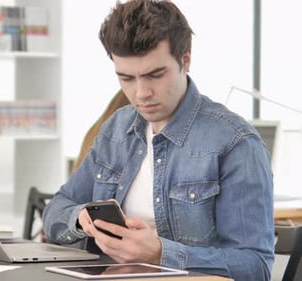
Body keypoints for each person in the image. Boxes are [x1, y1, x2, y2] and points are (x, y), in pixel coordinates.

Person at [42, 1, 274, 281]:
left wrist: (159, 253)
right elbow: (56, 209)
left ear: (185, 60)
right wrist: (81, 218)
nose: (141, 93)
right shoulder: (116, 129)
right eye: (126, 78)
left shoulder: (235, 143)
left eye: (155, 75)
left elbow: (255, 266)